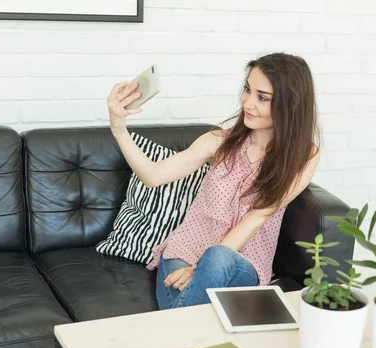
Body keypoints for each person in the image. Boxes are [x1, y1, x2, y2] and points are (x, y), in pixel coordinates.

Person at [106, 52, 320, 310]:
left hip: (241, 263)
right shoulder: (218, 141)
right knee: (187, 310)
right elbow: (153, 176)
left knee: (218, 258)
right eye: (247, 90)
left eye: (262, 97)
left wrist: (200, 269)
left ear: (290, 104)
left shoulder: (304, 156)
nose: (248, 103)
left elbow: (259, 216)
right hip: (185, 251)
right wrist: (118, 127)